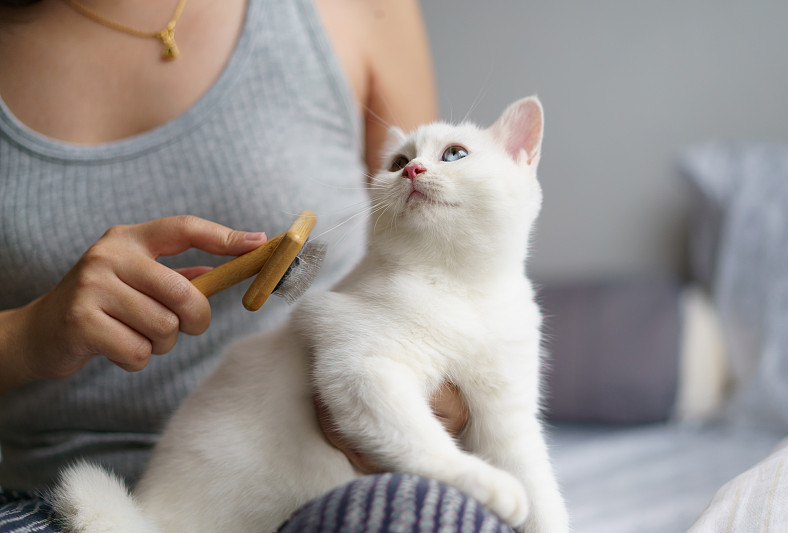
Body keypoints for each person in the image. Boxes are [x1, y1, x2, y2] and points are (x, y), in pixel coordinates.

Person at [0, 0, 511, 531]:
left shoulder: (362, 11)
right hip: (61, 503)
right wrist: (26, 335)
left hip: (336, 478)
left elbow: (433, 246)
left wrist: (438, 404)